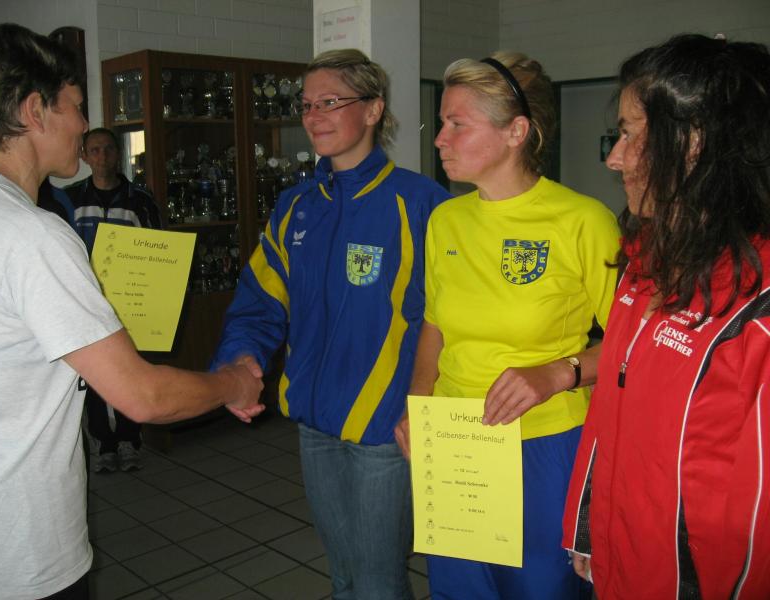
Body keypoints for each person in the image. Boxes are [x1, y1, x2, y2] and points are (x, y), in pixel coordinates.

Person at [0, 23, 263, 600]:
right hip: (16, 549)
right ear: (34, 110)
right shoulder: (31, 234)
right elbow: (143, 396)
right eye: (76, 107)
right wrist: (233, 383)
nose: (84, 126)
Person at [212, 49, 450, 599]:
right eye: (307, 105)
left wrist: (422, 404)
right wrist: (240, 357)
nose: (314, 116)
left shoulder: (421, 204)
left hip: (383, 429)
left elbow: (448, 318)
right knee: (343, 579)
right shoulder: (296, 206)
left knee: (378, 583)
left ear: (373, 110)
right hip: (314, 425)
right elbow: (260, 298)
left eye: (330, 102)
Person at [394, 51, 620, 599]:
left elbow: (635, 345)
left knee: (540, 589)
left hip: (543, 441)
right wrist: (417, 404)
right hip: (455, 438)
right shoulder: (446, 219)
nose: (439, 139)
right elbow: (435, 325)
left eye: (457, 124)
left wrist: (559, 372)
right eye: (441, 123)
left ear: (516, 132)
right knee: (459, 588)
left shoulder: (582, 221)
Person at [562, 34, 770, 600]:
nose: (613, 158)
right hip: (619, 562)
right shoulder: (644, 262)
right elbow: (610, 412)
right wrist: (587, 528)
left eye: (630, 134)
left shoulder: (755, 306)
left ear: (693, 142)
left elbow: (756, 516)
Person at [64, 127, 162, 472]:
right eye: (94, 150)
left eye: (108, 149)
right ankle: (103, 444)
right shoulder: (71, 200)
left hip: (131, 304)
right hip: (86, 303)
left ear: (118, 153)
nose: (102, 156)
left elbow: (159, 249)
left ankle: (128, 441)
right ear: (84, 156)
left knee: (129, 370)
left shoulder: (140, 199)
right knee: (92, 374)